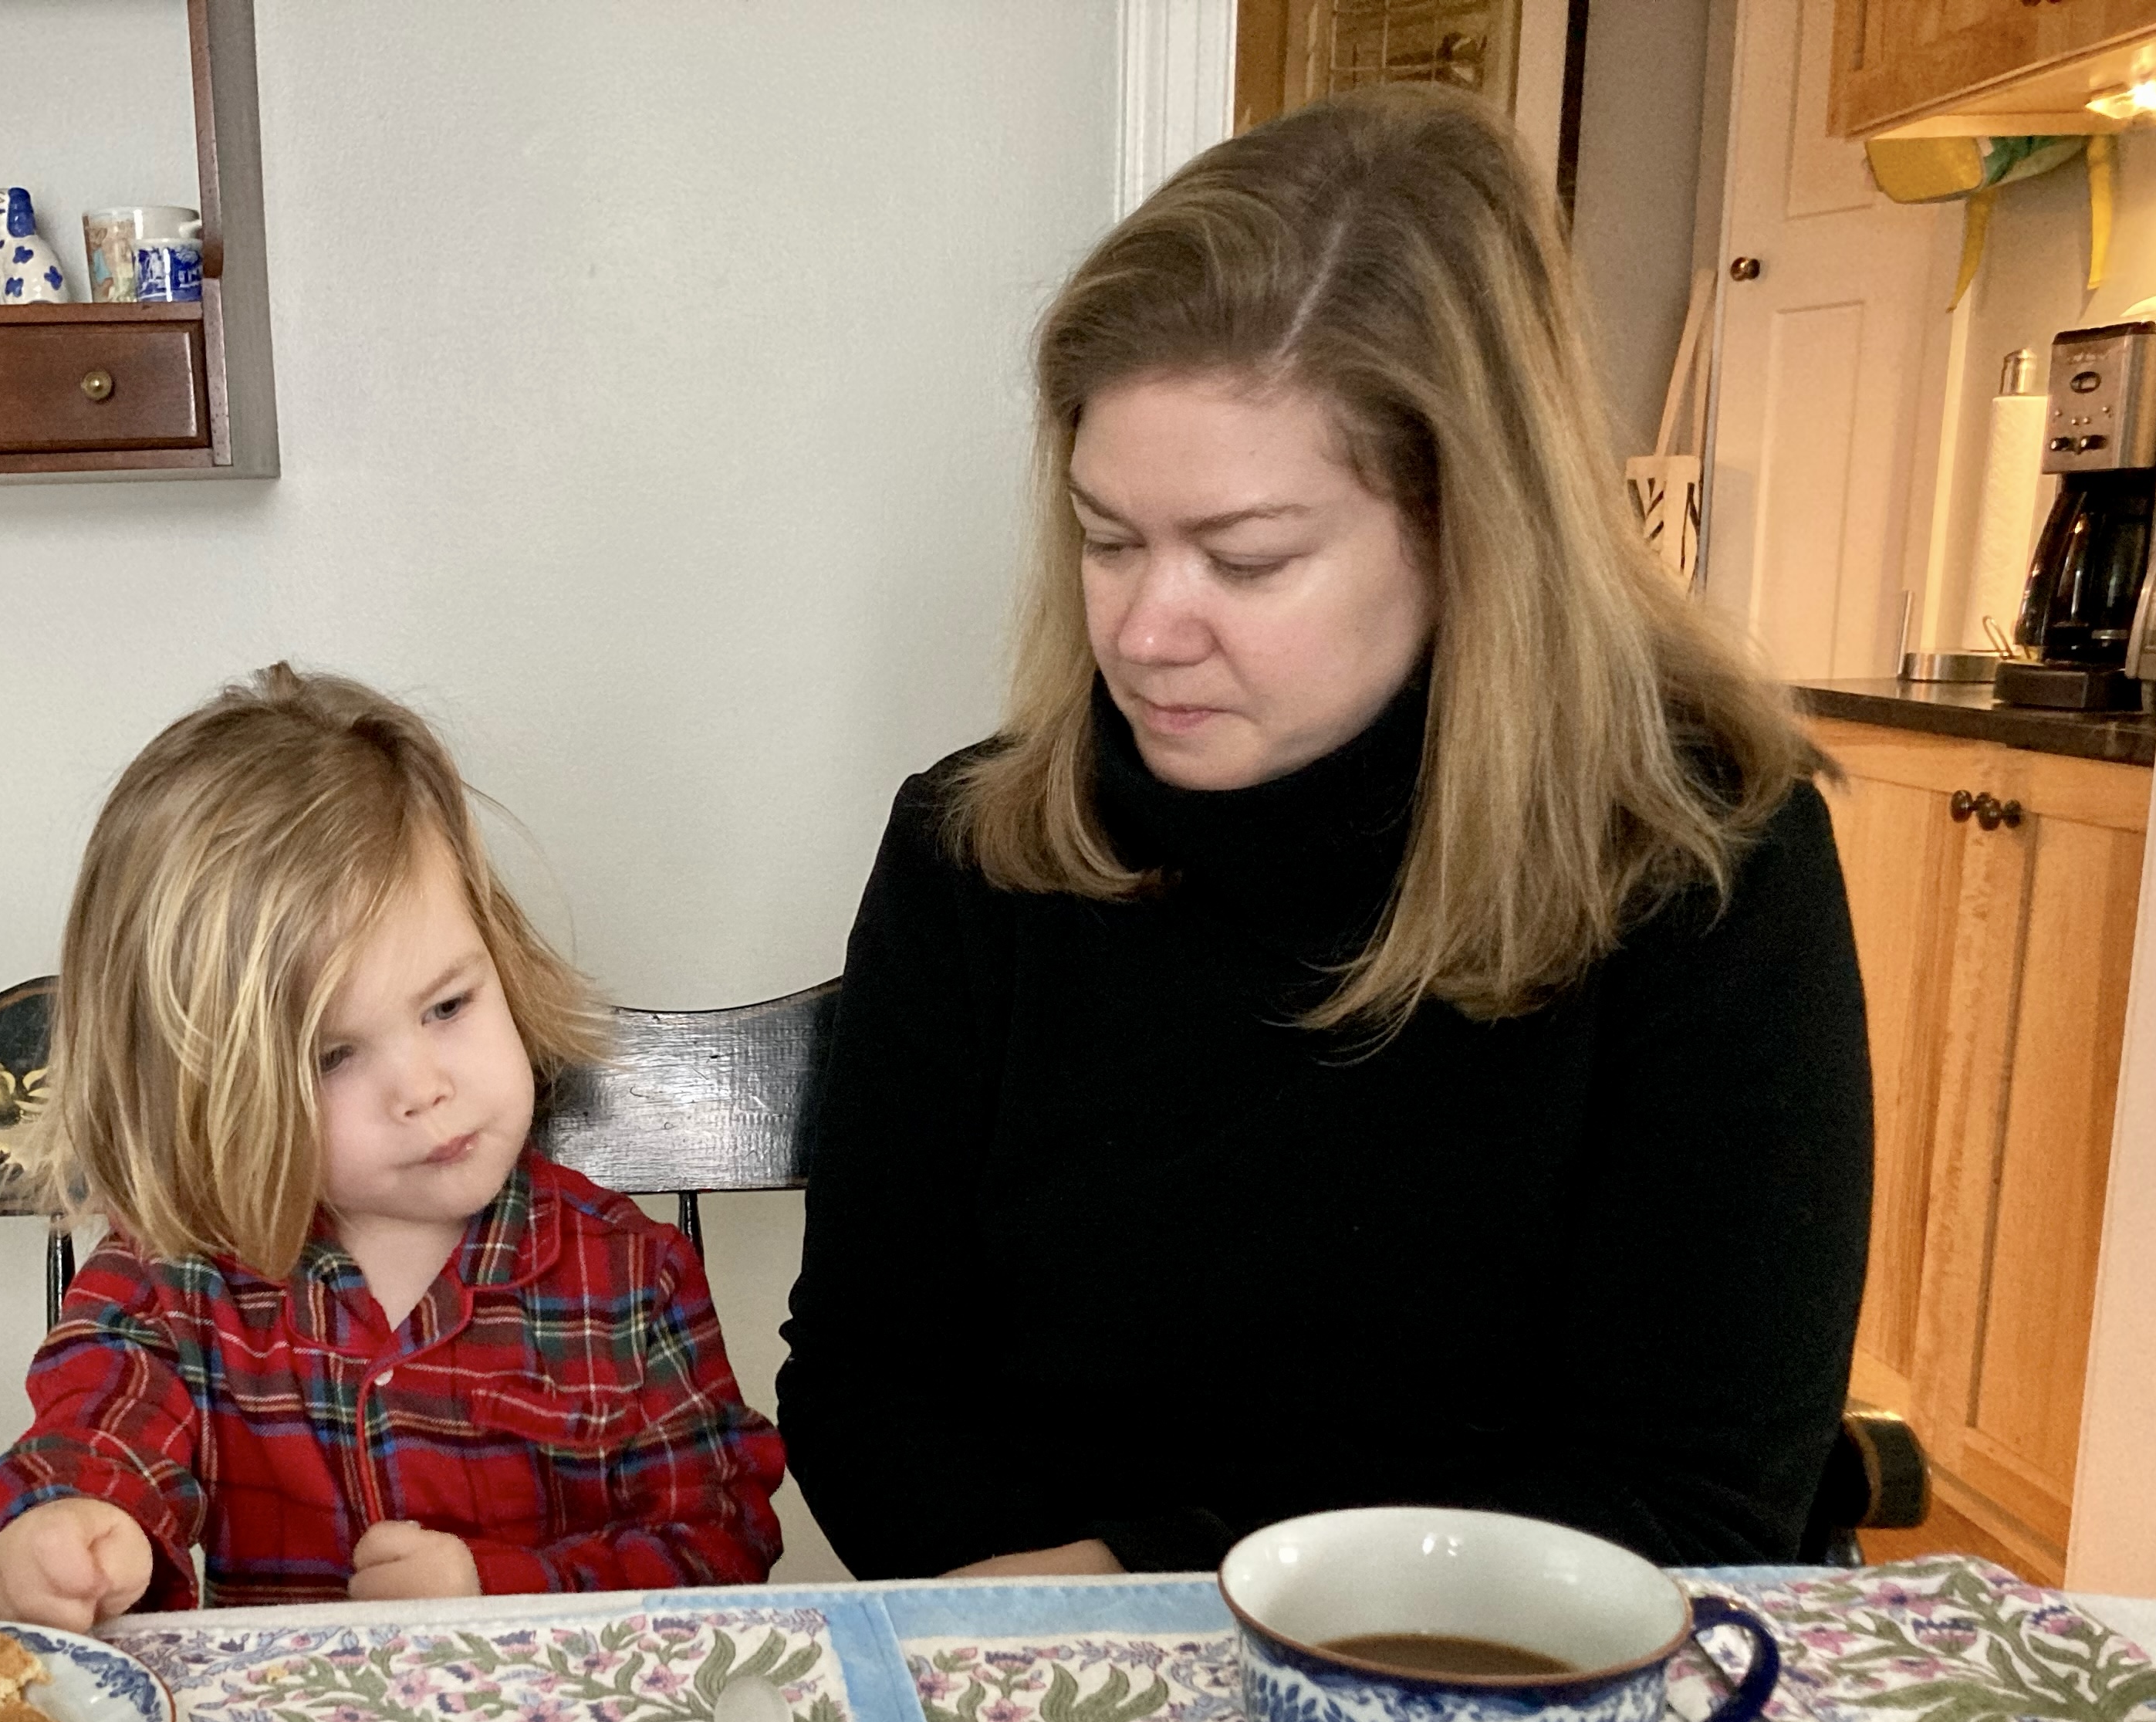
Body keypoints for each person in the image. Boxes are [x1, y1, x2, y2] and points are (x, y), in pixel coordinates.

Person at [775, 86, 1871, 1580]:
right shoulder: (975, 851)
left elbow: (1695, 1503)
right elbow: (866, 1385)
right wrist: (1056, 1630)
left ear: (1468, 531)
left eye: (1245, 558)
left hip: (1523, 1683)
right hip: (1048, 1670)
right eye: (1106, 539)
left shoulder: (1702, 867)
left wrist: (1155, 1579)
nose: (1143, 632)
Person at [0, 665, 786, 1625]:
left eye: (448, 1005)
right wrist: (52, 1538)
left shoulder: (630, 1277)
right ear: (209, 1091)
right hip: (285, 1721)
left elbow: (721, 1542)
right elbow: (92, 1442)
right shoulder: (176, 1278)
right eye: (335, 1055)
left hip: (558, 1717)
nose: (422, 1089)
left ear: (502, 961)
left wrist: (496, 1591)